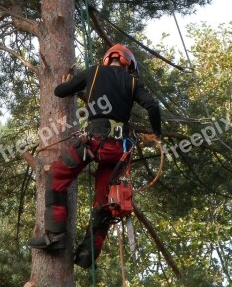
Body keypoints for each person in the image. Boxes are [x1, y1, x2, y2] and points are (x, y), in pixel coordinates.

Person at [28, 44, 162, 269]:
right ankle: (88, 254)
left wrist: (77, 83)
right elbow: (153, 106)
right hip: (119, 151)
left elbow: (60, 92)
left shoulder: (94, 72)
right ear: (129, 64)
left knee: (58, 176)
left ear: (109, 59)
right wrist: (157, 133)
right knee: (105, 202)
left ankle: (55, 237)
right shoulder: (132, 82)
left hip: (94, 142)